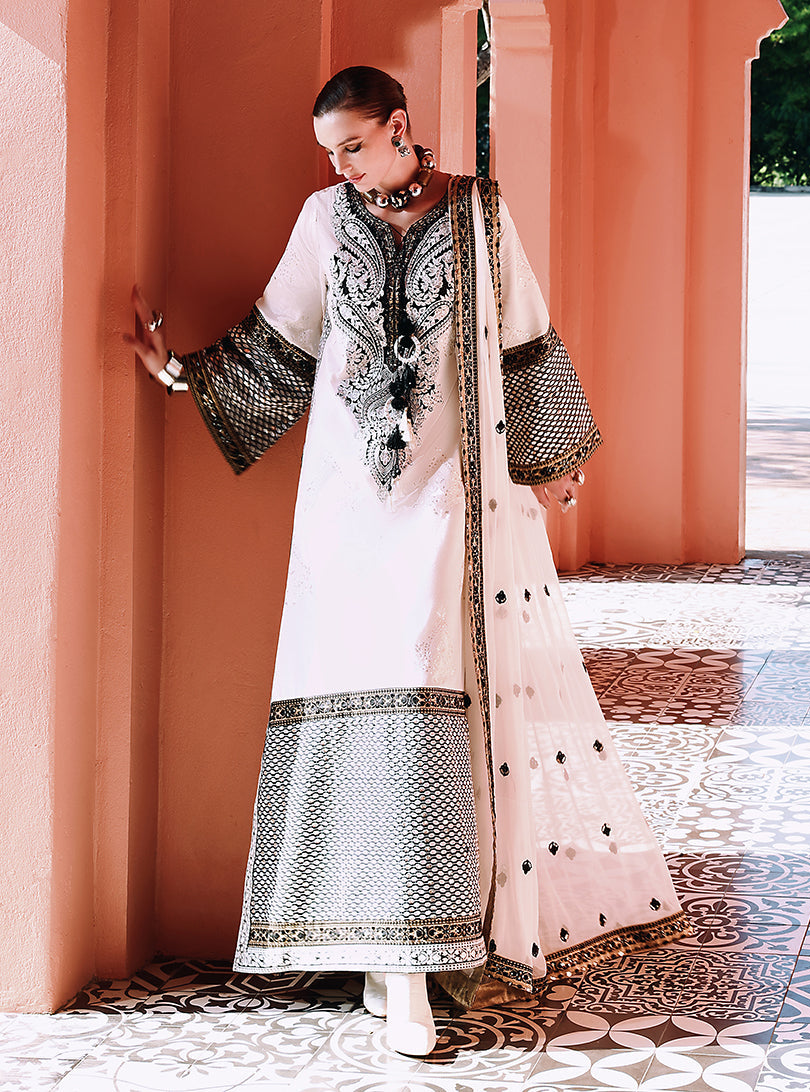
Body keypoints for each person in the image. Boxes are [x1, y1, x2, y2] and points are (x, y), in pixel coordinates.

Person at [127, 66, 690, 1057]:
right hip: (345, 507)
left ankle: (415, 968)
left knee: (423, 683)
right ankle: (387, 960)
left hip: (444, 497)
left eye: (353, 145)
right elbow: (280, 344)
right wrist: (177, 373)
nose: (340, 167)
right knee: (357, 698)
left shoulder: (477, 213)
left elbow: (525, 339)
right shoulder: (322, 219)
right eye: (329, 152)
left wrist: (552, 460)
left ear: (399, 126)